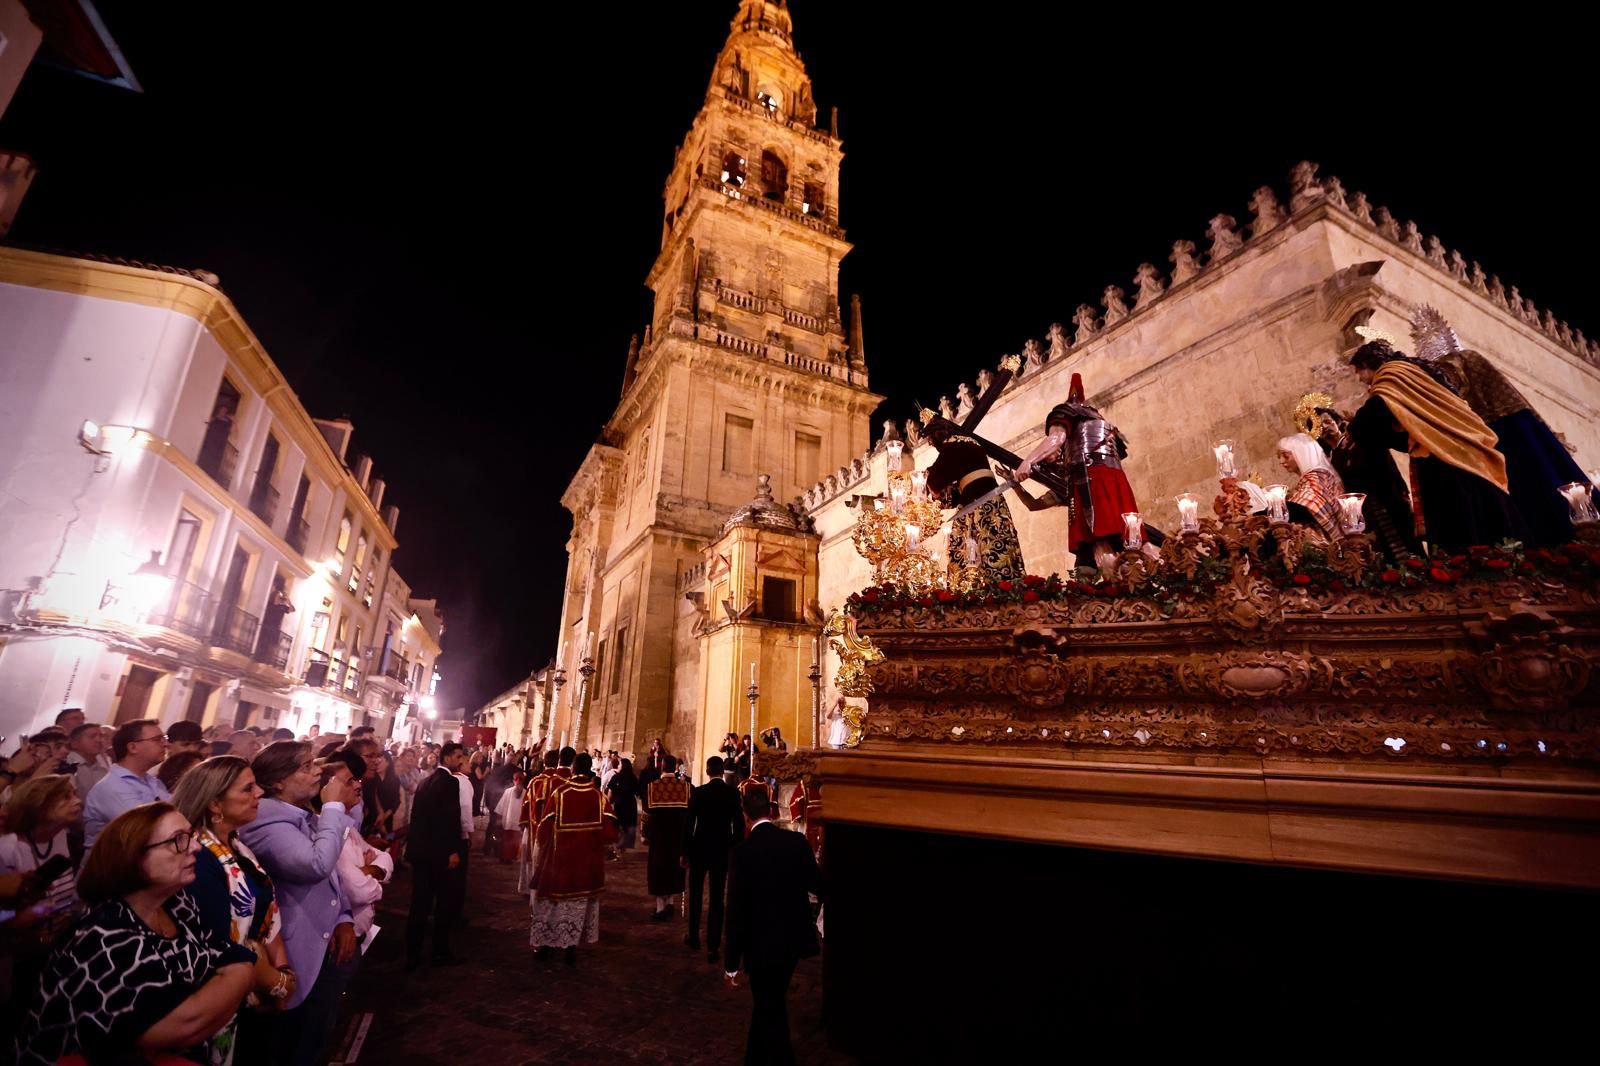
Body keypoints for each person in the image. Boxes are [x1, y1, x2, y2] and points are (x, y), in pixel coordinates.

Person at [16, 803, 256, 1066]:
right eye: (178, 840)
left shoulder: (177, 901)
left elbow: (227, 954)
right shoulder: (105, 935)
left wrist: (237, 970)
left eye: (191, 835)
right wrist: (241, 973)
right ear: (134, 858)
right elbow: (187, 1025)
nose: (196, 847)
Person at [1412, 309, 1594, 545]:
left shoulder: (1458, 361)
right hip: (1500, 428)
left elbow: (1453, 388)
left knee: (1529, 490)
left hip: (1499, 429)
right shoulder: (1468, 360)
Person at [238, 742, 358, 1065]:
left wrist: (343, 915)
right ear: (278, 781)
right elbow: (315, 865)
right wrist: (333, 808)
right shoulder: (266, 823)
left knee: (314, 1040)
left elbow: (330, 874)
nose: (317, 771)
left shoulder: (300, 816)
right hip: (292, 954)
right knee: (289, 1048)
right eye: (306, 766)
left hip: (321, 947)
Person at [173, 756, 296, 1064]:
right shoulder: (199, 859)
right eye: (247, 789)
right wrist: (278, 984)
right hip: (225, 991)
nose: (259, 794)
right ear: (215, 804)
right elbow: (218, 944)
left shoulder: (237, 847)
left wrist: (282, 969)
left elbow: (266, 911)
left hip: (257, 986)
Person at [1347, 340, 1519, 549]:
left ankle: (1471, 569)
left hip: (1442, 457)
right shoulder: (1418, 372)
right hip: (1468, 446)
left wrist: (1354, 424)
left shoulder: (1392, 377)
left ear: (1367, 364)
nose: (1361, 379)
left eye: (1359, 372)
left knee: (1457, 522)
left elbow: (1366, 425)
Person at [723, 786, 823, 1066]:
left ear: (746, 816)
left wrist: (731, 964)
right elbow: (817, 885)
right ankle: (755, 1057)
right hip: (792, 939)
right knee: (770, 1001)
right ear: (770, 811)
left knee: (769, 1004)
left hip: (759, 944)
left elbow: (736, 912)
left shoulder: (742, 853)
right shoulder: (796, 843)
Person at [1010, 372, 1142, 571]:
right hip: (1115, 479)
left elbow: (1055, 440)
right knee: (1118, 540)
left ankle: (1118, 581)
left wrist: (1028, 462)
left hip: (1090, 478)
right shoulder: (1098, 419)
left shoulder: (1065, 412)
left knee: (1097, 535)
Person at [0, 775, 84, 1012]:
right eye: (65, 797)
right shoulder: (8, 849)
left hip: (55, 944)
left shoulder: (59, 835)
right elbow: (1, 916)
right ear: (39, 804)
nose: (77, 801)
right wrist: (28, 914)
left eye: (75, 794)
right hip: (18, 959)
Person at [529, 752, 617, 965]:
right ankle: (571, 948)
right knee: (578, 906)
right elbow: (611, 833)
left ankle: (548, 945)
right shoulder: (598, 796)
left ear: (574, 769)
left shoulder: (560, 794)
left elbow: (544, 829)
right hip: (586, 865)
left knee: (554, 904)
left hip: (560, 861)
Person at [923, 414, 1027, 583]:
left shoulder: (952, 445)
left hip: (975, 504)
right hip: (994, 500)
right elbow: (957, 492)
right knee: (998, 540)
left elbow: (934, 483)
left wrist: (925, 477)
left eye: (931, 440)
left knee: (970, 549)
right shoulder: (972, 443)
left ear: (936, 436)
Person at [1315, 406, 1420, 560]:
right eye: (1319, 426)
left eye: (1327, 422)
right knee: (1387, 549)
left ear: (1337, 421)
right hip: (1368, 509)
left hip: (1389, 497)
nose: (1325, 427)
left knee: (1407, 541)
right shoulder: (1333, 457)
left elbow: (1383, 462)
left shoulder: (1358, 439)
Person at [406, 741, 469, 970]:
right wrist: (453, 850)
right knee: (443, 904)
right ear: (448, 757)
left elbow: (418, 819)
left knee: (419, 905)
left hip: (422, 853)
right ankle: (439, 951)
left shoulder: (425, 782)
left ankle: (412, 953)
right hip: (440, 854)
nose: (461, 760)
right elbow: (450, 819)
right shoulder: (450, 782)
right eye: (458, 756)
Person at [683, 755, 745, 960]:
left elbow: (689, 825)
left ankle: (693, 936)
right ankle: (713, 944)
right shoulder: (732, 794)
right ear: (721, 771)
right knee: (718, 898)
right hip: (721, 850)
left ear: (708, 772)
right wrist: (732, 847)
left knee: (696, 895)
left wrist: (685, 851)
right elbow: (739, 825)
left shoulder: (698, 793)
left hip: (699, 848)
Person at [83, 719, 172, 850]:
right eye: (158, 739)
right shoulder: (111, 787)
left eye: (164, 738)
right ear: (132, 747)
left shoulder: (153, 782)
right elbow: (144, 830)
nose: (166, 744)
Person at [1275, 432, 1347, 540]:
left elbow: (1309, 503)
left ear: (1301, 454)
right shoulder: (1317, 476)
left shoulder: (1316, 477)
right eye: (1279, 457)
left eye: (1286, 456)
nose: (1281, 461)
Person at [645, 755, 690, 921]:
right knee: (673, 868)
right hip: (678, 837)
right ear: (675, 767)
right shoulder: (685, 788)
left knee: (658, 870)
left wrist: (644, 835)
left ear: (662, 767)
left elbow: (646, 815)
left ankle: (660, 908)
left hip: (659, 838)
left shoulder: (653, 787)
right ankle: (670, 902)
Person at [64, 721, 110, 799]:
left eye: (101, 736)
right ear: (75, 743)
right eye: (92, 736)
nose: (99, 740)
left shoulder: (103, 766)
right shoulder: (67, 765)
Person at [786, 774, 824, 860]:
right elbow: (796, 800)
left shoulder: (806, 784)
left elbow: (796, 801)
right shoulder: (804, 785)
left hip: (817, 817)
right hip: (809, 818)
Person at [606, 758, 640, 852]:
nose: (619, 766)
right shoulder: (633, 778)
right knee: (628, 824)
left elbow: (610, 791)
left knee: (618, 823)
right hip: (630, 803)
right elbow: (638, 792)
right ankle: (625, 845)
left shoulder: (616, 777)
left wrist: (609, 802)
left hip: (619, 802)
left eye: (620, 764)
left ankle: (617, 844)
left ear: (623, 766)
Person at [493, 769, 527, 862]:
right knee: (513, 841)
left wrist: (499, 819)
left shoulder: (508, 791)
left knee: (508, 841)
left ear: (513, 781)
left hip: (509, 821)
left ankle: (506, 857)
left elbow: (501, 807)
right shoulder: (526, 793)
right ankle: (511, 857)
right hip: (519, 822)